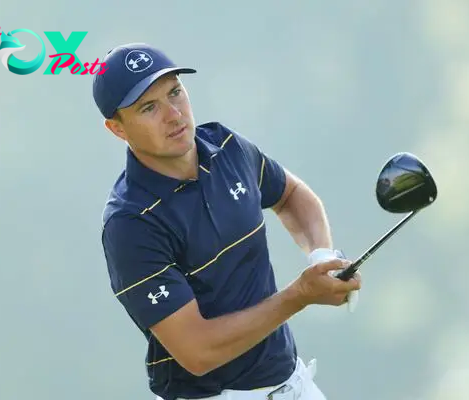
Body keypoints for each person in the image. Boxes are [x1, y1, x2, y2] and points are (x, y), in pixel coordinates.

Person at [92, 42, 362, 400]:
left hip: (295, 384)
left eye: (175, 92)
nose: (174, 115)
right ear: (118, 129)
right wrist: (300, 296)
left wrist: (321, 257)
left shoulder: (226, 147)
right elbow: (198, 352)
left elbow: (292, 196)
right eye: (149, 108)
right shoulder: (130, 223)